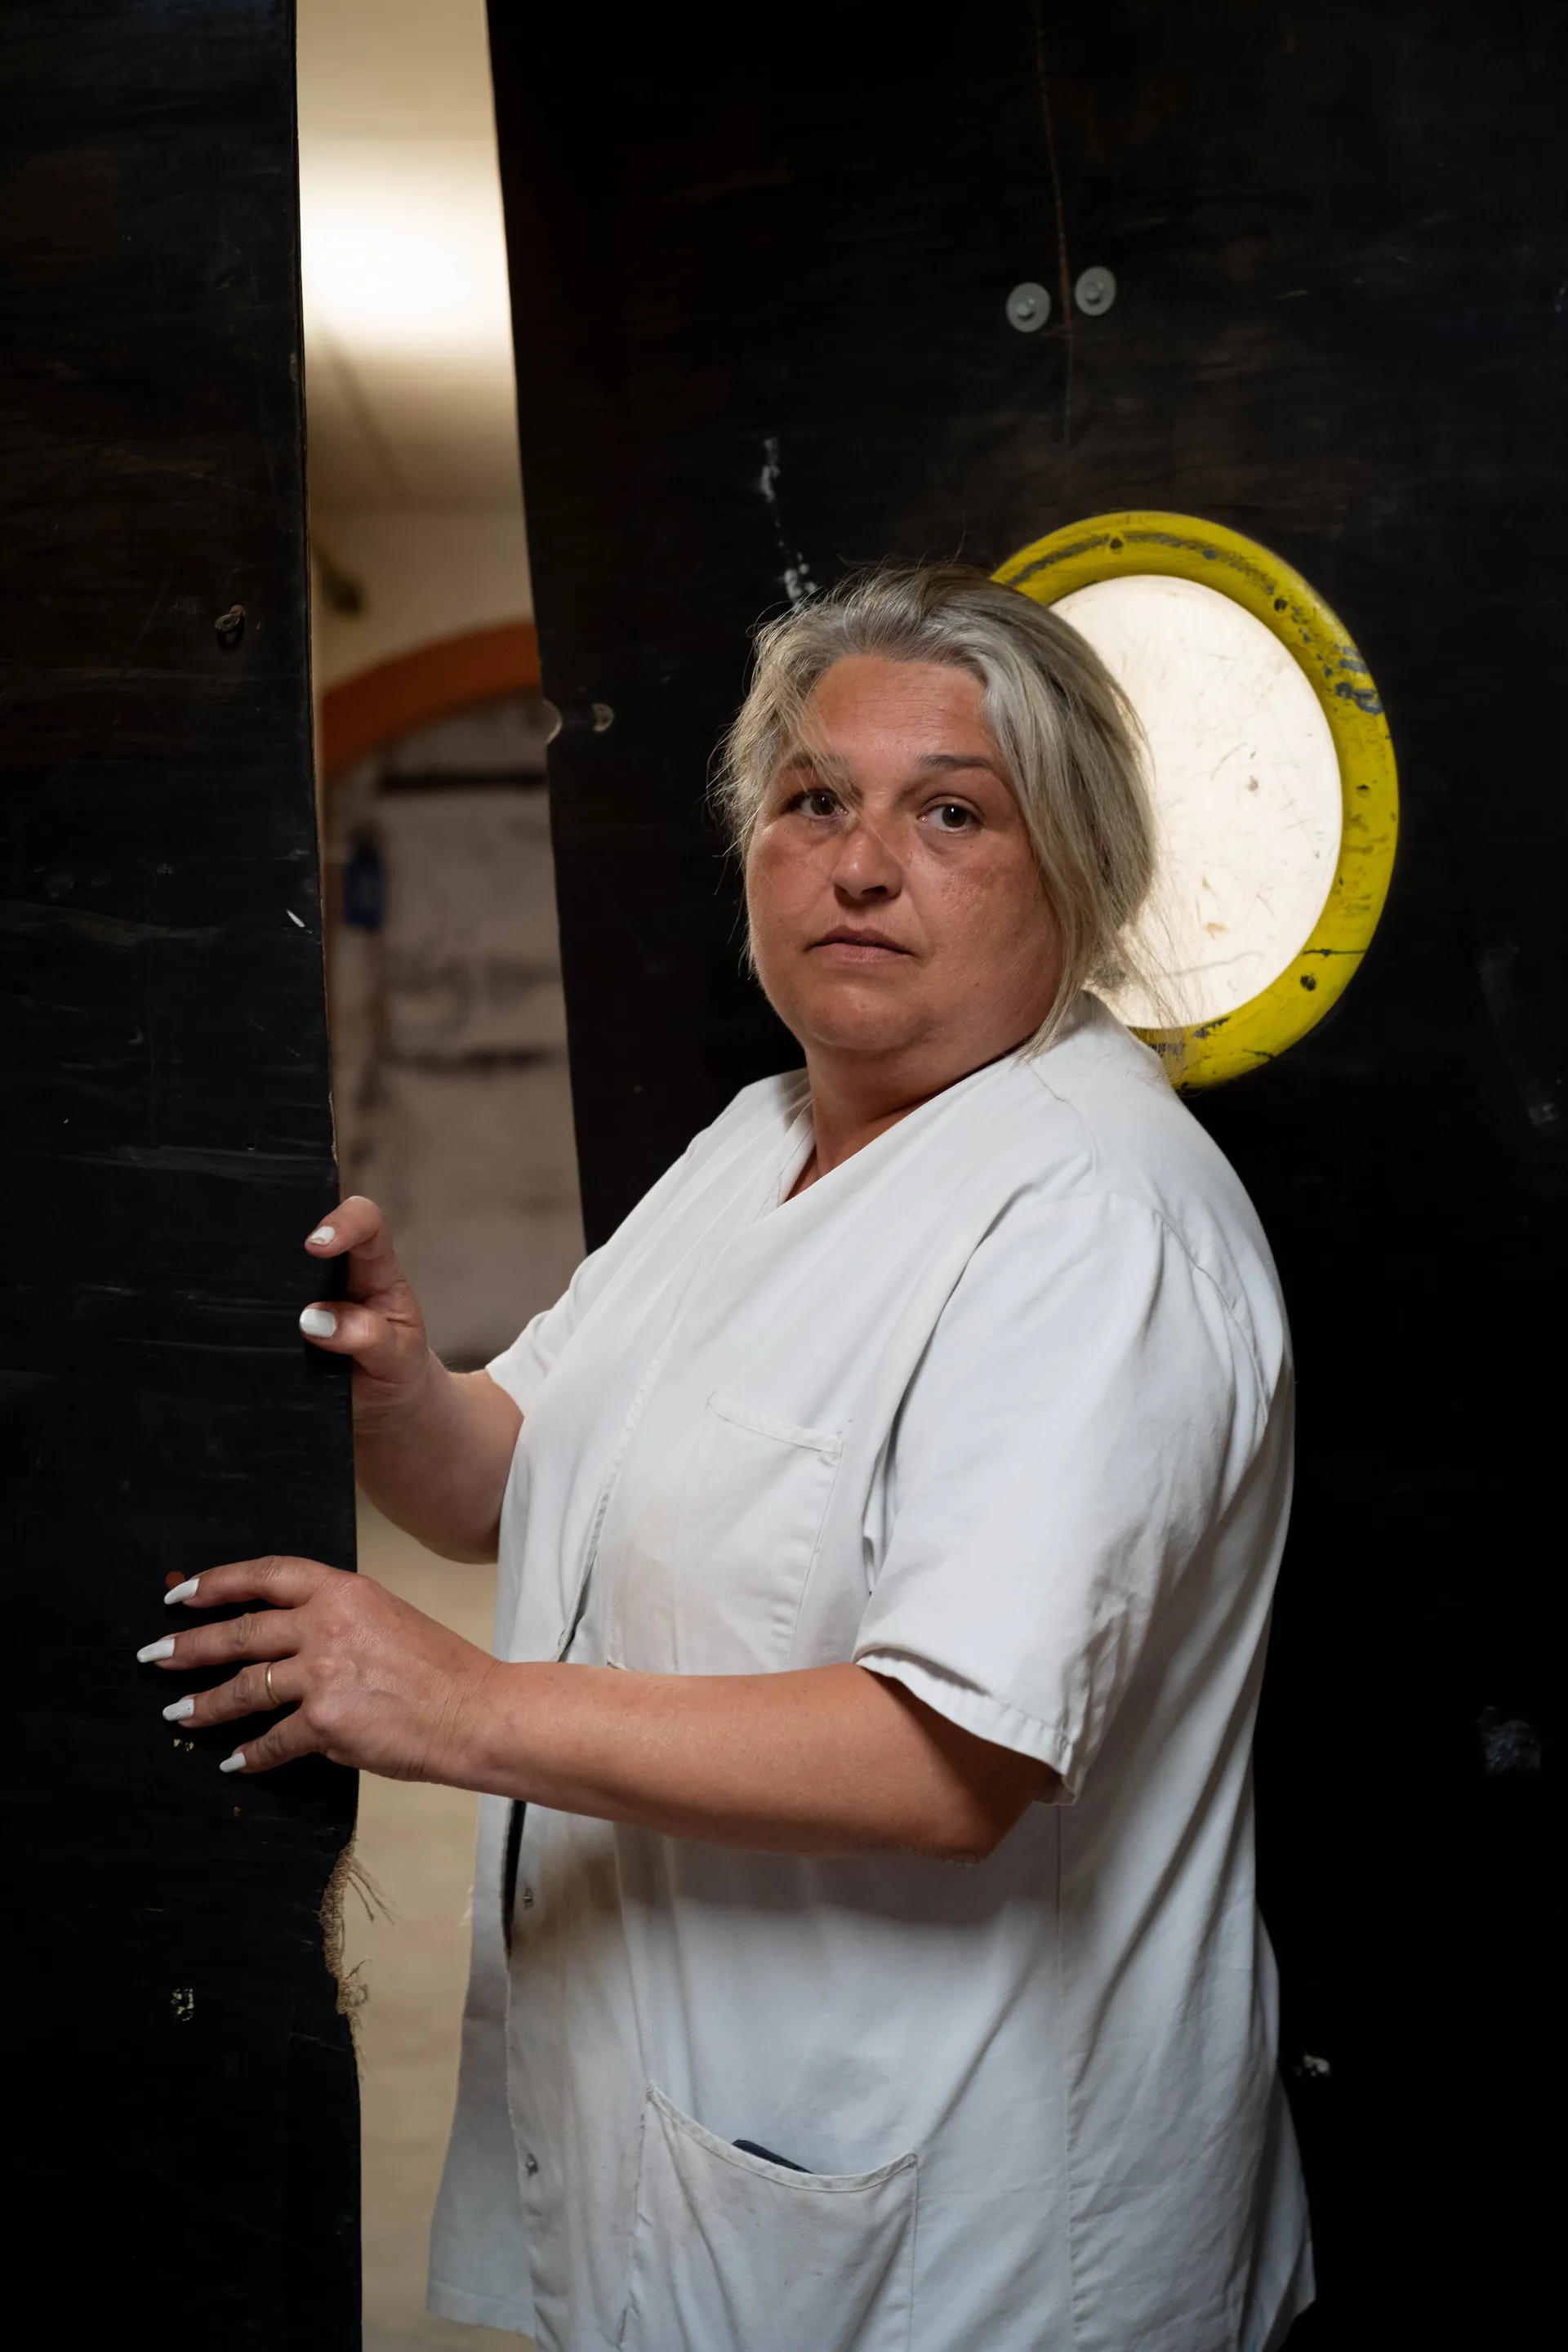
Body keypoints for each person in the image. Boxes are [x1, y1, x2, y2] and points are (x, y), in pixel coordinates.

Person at [141, 565, 1312, 2351]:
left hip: (973, 2236)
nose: (859, 863)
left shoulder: (1091, 1215)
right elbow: (506, 1473)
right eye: (813, 800)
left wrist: (456, 1708)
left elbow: (946, 1759)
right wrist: (394, 1378)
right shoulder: (761, 1135)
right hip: (691, 2163)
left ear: (1076, 866)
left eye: (950, 813)